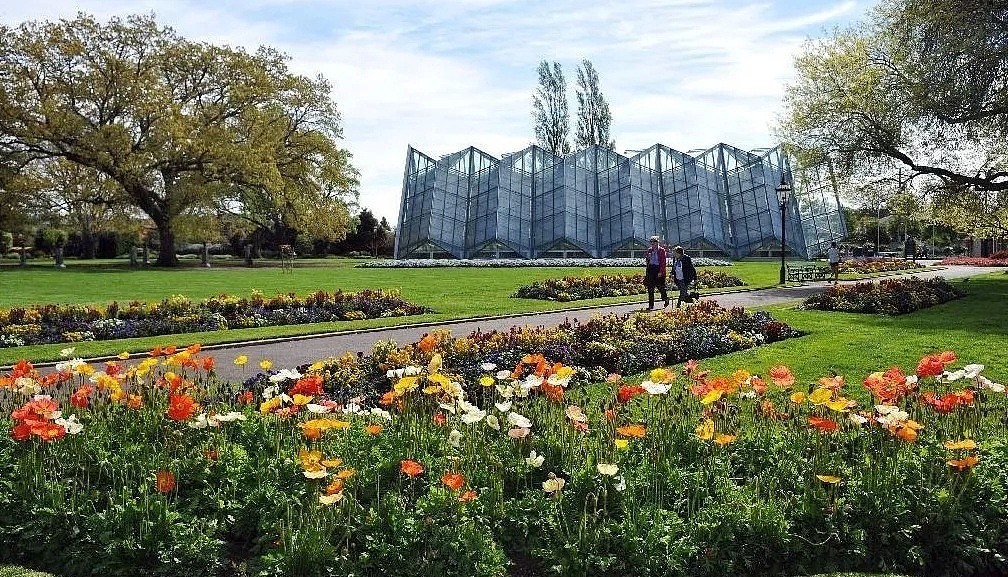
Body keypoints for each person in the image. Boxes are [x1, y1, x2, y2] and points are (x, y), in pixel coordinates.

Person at [643, 235, 669, 310]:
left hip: (658, 269)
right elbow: (647, 260)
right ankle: (651, 305)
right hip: (651, 269)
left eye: (654, 243)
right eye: (651, 243)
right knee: (650, 288)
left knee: (661, 287)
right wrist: (648, 258)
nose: (652, 244)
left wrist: (661, 271)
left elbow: (663, 262)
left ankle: (665, 299)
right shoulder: (649, 250)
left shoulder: (661, 250)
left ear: (657, 243)